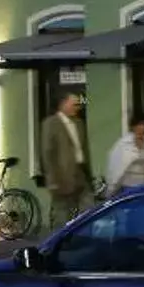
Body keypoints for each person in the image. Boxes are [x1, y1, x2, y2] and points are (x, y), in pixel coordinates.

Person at [40, 92, 91, 227]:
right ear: (63, 104)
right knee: (63, 214)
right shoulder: (51, 123)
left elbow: (84, 149)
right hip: (61, 176)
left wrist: (89, 173)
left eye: (78, 105)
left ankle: (83, 239)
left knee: (88, 208)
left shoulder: (79, 123)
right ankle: (60, 242)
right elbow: (47, 153)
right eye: (74, 104)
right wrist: (51, 180)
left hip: (80, 172)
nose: (77, 107)